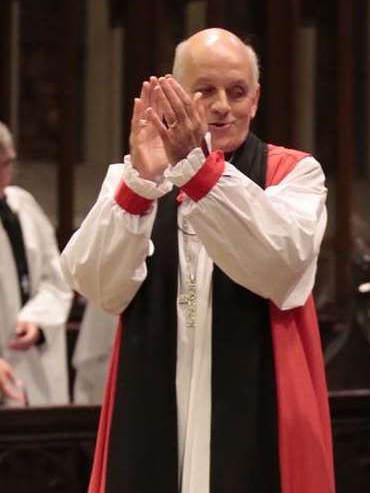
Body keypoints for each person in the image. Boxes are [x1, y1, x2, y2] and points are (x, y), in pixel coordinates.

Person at [61, 29, 334, 493]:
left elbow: (278, 264)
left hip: (255, 400)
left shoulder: (293, 174)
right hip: (153, 398)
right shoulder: (138, 176)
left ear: (257, 99)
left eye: (237, 91)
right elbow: (97, 284)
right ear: (175, 94)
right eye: (205, 90)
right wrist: (140, 187)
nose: (223, 105)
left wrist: (198, 170)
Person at [0, 121, 72, 406]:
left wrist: (37, 320)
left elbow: (56, 277)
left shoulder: (23, 205)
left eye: (6, 164)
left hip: (29, 359)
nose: (3, 175)